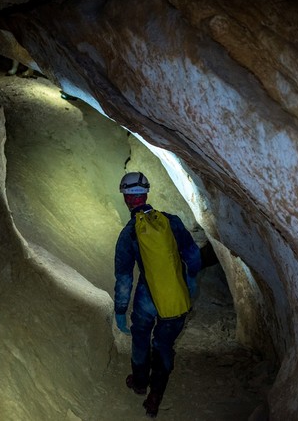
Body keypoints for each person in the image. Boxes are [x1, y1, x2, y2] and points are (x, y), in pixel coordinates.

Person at [114, 171, 202, 418]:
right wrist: (190, 281)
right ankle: (156, 395)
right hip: (174, 295)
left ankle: (140, 382)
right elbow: (193, 257)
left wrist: (121, 310)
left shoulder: (129, 233)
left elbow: (124, 278)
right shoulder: (171, 221)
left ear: (127, 199)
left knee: (140, 337)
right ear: (146, 194)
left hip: (146, 298)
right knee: (163, 344)